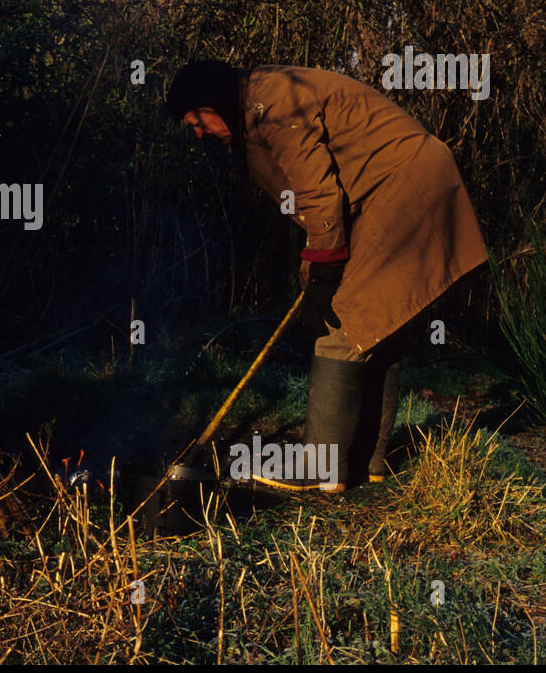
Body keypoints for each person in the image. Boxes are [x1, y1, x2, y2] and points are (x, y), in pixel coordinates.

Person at [167, 59, 488, 491]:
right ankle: (365, 462)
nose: (199, 133)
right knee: (376, 326)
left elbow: (319, 196)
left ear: (214, 103)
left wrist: (325, 273)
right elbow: (311, 202)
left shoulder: (274, 104)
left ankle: (320, 468)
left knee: (343, 320)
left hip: (404, 186)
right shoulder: (260, 104)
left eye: (196, 121)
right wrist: (316, 266)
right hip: (393, 188)